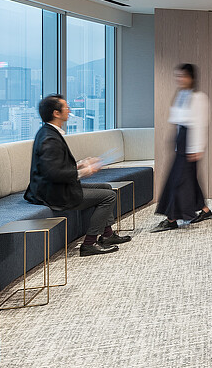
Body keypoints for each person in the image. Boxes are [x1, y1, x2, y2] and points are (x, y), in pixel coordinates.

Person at [24, 94, 132, 256]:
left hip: (57, 187)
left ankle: (108, 235)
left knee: (106, 187)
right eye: (66, 107)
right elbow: (53, 173)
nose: (69, 109)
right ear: (56, 113)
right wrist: (84, 171)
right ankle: (89, 243)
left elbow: (55, 165)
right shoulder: (49, 138)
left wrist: (81, 163)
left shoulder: (49, 133)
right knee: (108, 196)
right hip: (54, 193)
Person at [152, 63, 212, 232]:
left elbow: (200, 124)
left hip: (190, 142)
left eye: (183, 76)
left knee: (178, 180)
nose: (180, 79)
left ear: (191, 78)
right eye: (178, 76)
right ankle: (205, 210)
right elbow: (177, 121)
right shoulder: (181, 95)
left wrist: (197, 147)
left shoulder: (199, 97)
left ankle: (172, 219)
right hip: (181, 141)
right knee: (189, 178)